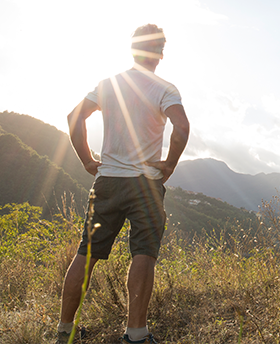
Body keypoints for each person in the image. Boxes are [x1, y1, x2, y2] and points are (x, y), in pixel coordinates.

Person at [55, 24, 190, 344]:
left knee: (86, 254)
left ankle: (64, 330)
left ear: (132, 50)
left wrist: (88, 161)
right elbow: (181, 128)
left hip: (108, 183)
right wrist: (169, 164)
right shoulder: (165, 88)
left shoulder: (108, 84)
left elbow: (74, 118)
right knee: (144, 253)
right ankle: (136, 333)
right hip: (145, 184)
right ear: (159, 55)